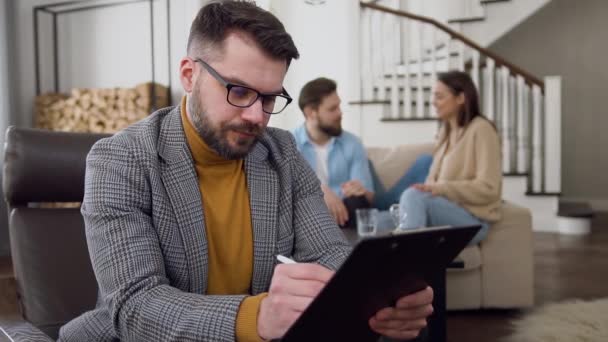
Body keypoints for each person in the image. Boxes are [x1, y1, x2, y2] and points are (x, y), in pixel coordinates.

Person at [58, 2, 433, 341]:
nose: (257, 116)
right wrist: (257, 317)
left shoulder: (282, 152)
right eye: (238, 91)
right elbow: (136, 308)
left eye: (270, 98)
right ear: (189, 76)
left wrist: (377, 299)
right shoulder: (119, 160)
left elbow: (328, 255)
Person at [293, 77, 432, 229]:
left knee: (357, 203)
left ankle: (403, 218)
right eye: (332, 109)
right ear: (310, 113)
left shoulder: (352, 143)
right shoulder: (289, 144)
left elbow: (367, 197)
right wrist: (321, 190)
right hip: (313, 216)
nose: (340, 113)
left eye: (339, 106)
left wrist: (360, 190)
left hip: (351, 212)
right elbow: (288, 191)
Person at [397, 70, 502, 245]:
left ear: (460, 98)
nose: (433, 102)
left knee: (412, 196)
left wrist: (441, 188)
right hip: (442, 209)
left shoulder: (482, 130)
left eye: (439, 97)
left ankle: (410, 266)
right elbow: (432, 184)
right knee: (379, 220)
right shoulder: (445, 132)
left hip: (472, 220)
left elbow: (489, 189)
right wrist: (430, 189)